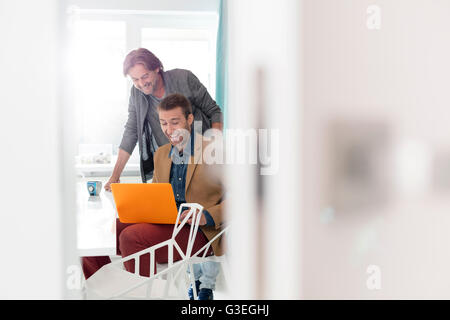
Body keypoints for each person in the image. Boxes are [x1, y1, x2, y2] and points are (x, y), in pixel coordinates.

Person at [82, 93, 226, 300]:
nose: (168, 130)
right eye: (163, 123)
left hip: (201, 232)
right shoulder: (162, 154)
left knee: (132, 237)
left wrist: (207, 215)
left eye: (175, 122)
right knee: (97, 237)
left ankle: (145, 296)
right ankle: (107, 291)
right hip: (168, 221)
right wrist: (131, 207)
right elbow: (156, 194)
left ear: (190, 119)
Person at [105, 48, 224, 189]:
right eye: (135, 79)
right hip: (171, 159)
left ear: (156, 68)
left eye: (144, 76)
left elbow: (214, 111)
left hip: (200, 154)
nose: (141, 84)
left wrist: (213, 147)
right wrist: (115, 176)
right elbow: (131, 132)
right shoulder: (136, 93)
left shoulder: (183, 78)